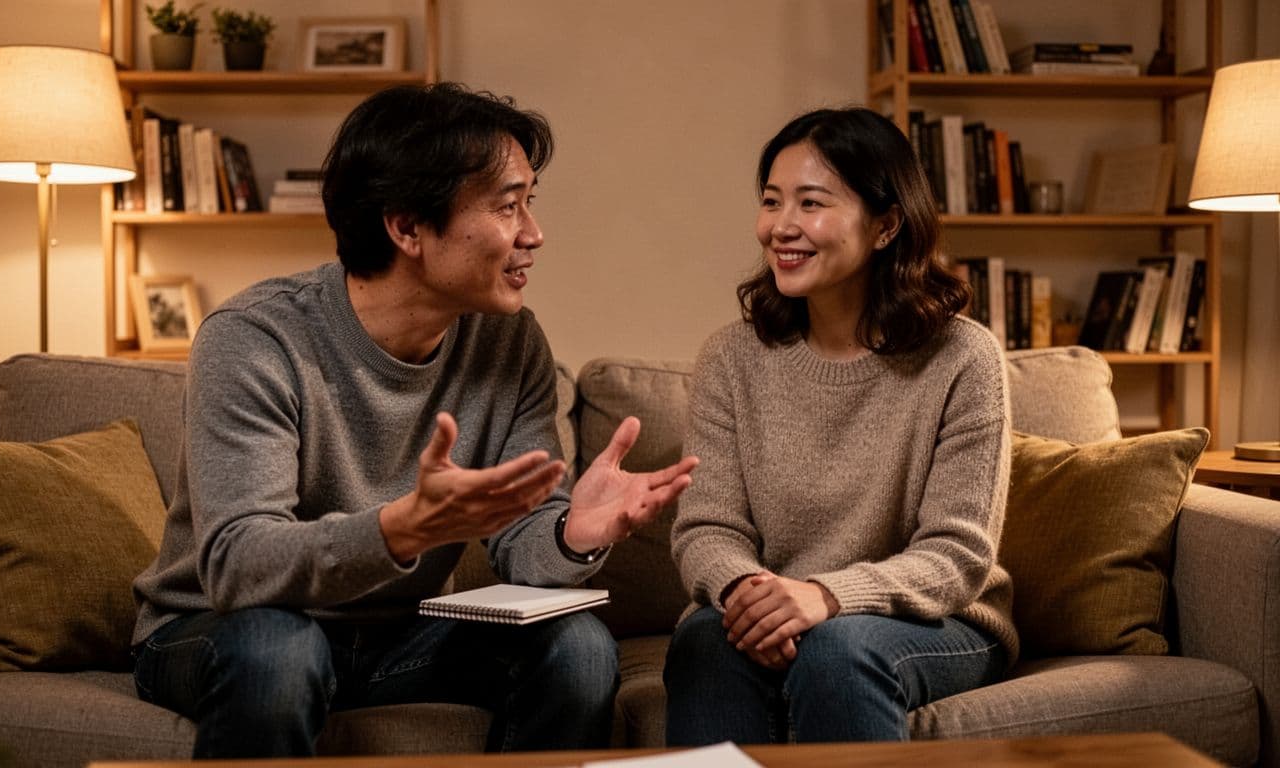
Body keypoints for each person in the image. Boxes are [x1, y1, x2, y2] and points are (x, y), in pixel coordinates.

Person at [130, 82, 699, 758]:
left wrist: (570, 535)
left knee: (577, 648)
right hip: (220, 627)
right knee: (279, 651)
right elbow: (238, 565)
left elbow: (524, 538)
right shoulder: (256, 338)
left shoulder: (508, 341)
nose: (534, 234)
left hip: (401, 633)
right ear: (406, 229)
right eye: (508, 206)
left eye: (530, 203)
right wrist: (399, 529)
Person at [663, 107, 1016, 745]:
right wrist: (748, 595)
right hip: (776, 606)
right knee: (705, 641)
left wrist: (825, 597)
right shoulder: (731, 359)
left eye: (811, 203)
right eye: (772, 201)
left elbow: (957, 554)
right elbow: (707, 527)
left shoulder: (964, 358)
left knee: (837, 650)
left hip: (937, 619)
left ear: (885, 226)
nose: (781, 226)